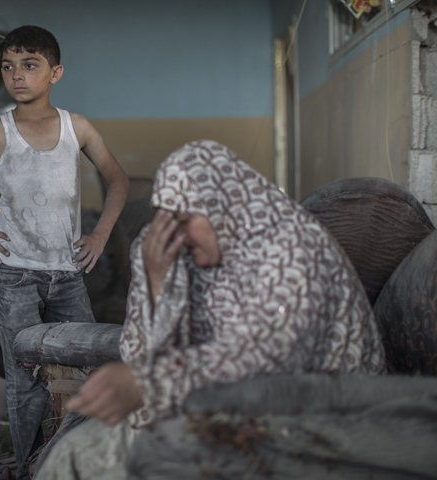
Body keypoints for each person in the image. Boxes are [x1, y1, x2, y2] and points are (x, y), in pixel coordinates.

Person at [35, 139, 385, 479]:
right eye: (167, 221)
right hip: (212, 410)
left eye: (187, 219)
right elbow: (141, 357)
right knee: (71, 455)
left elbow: (262, 363)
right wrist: (156, 288)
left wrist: (149, 381)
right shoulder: (170, 247)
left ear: (225, 206)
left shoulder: (292, 251)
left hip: (311, 424)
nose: (177, 235)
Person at [0, 25, 129, 480]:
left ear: (55, 72)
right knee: (25, 379)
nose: (17, 76)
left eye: (30, 66)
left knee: (87, 370)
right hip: (13, 277)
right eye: (8, 67)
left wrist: (100, 236)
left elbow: (118, 180)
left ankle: (80, 461)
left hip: (66, 274)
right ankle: (29, 468)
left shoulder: (76, 127)